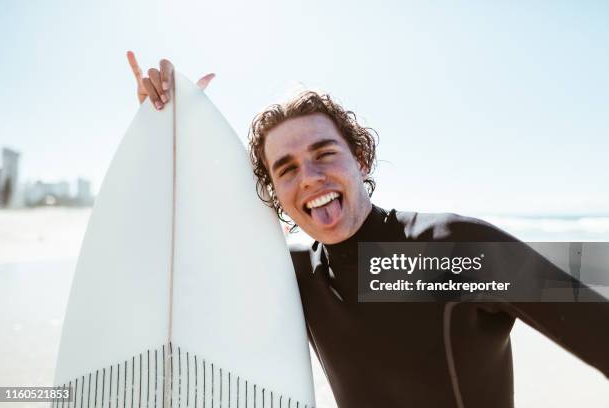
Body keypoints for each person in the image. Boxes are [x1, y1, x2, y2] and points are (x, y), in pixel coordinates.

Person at [127, 52, 609, 408]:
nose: (310, 178)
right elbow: (176, 265)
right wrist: (164, 134)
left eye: (324, 153)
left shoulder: (456, 247)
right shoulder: (293, 274)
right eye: (287, 168)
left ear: (360, 158)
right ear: (275, 192)